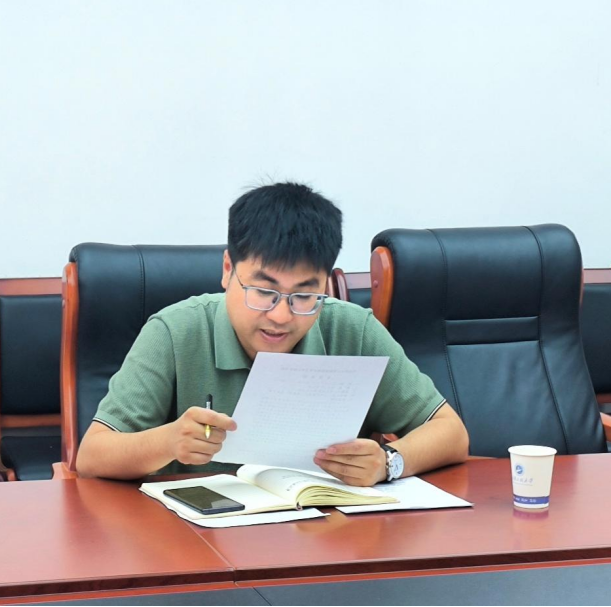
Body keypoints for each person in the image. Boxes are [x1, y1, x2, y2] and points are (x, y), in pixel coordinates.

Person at [77, 182, 469, 485]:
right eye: (263, 291)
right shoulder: (175, 331)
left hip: (327, 537)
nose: (281, 316)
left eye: (304, 295)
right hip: (202, 543)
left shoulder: (354, 329)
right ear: (228, 270)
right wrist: (167, 442)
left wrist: (389, 462)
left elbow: (450, 432)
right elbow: (93, 456)